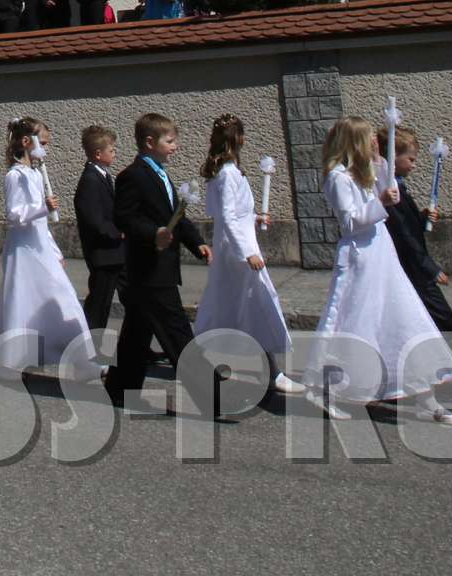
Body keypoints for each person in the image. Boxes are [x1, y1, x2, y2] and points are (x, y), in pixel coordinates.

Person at [312, 115, 452, 424]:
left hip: (383, 255)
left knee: (408, 320)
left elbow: (386, 189)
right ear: (355, 142)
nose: (374, 141)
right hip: (360, 259)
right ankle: (325, 387)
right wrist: (381, 202)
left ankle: (427, 398)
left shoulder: (363, 172)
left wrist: (381, 165)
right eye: (368, 137)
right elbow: (351, 222)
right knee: (352, 325)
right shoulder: (338, 178)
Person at [104, 112, 211, 413]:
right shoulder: (132, 176)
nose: (175, 146)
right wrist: (154, 233)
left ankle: (120, 389)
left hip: (158, 268)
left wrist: (197, 242)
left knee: (137, 333)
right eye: (170, 140)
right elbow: (124, 217)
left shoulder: (161, 174)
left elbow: (176, 215)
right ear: (150, 142)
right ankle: (212, 393)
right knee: (176, 330)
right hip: (149, 268)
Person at [191, 114, 301, 394]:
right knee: (258, 304)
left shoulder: (226, 172)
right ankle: (272, 372)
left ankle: (222, 358)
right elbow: (227, 217)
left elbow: (234, 214)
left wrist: (254, 217)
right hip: (238, 251)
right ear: (237, 139)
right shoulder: (227, 173)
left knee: (232, 305)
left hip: (238, 244)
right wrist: (246, 253)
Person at [0, 117, 88, 373]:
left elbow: (41, 225)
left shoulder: (34, 173)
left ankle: (76, 355)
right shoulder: (14, 176)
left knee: (61, 295)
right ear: (26, 142)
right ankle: (17, 356)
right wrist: (42, 207)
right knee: (25, 298)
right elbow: (14, 215)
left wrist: (54, 249)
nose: (45, 149)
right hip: (23, 248)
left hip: (39, 246)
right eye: (42, 143)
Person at [384, 126, 452, 332]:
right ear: (393, 157)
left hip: (413, 267)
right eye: (411, 159)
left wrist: (422, 218)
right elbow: (403, 235)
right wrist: (430, 268)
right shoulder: (392, 192)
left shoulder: (398, 187)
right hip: (413, 268)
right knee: (444, 320)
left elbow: (408, 225)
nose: (413, 165)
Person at [74, 124, 122, 332]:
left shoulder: (103, 175)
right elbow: (93, 219)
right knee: (99, 302)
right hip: (103, 253)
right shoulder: (90, 180)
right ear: (97, 153)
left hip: (115, 252)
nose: (115, 153)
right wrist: (117, 232)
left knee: (130, 298)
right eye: (111, 150)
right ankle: (89, 345)